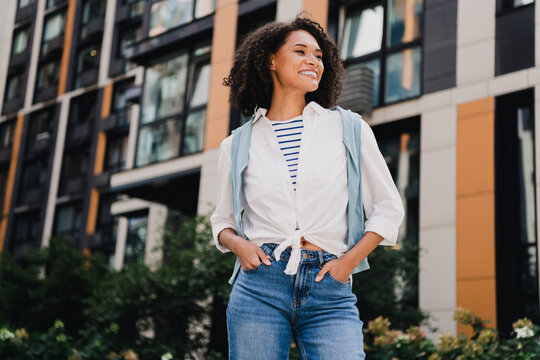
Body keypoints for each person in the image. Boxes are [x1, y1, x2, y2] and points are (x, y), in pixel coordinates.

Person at [210, 15, 405, 360]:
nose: (313, 62)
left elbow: (388, 209)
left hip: (329, 284)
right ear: (270, 59)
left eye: (318, 56)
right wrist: (238, 244)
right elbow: (222, 221)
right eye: (300, 52)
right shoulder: (236, 144)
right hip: (259, 285)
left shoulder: (348, 127)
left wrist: (346, 264)